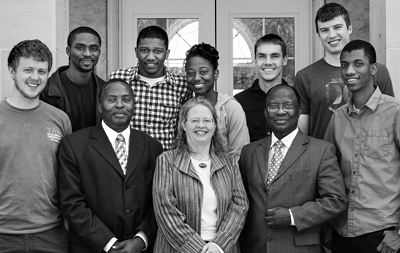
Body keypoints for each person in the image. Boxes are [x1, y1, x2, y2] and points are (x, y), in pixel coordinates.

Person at [58, 79, 163, 252]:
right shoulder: (74, 145)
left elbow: (158, 201)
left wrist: (141, 238)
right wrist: (108, 243)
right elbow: (72, 203)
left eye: (126, 100)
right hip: (91, 247)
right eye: (112, 99)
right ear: (100, 107)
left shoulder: (153, 147)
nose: (120, 105)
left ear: (134, 106)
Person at [239, 84, 346, 253]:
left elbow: (335, 200)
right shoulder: (248, 153)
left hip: (299, 247)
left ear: (298, 111)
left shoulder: (322, 150)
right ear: (266, 112)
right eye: (274, 106)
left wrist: (292, 216)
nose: (280, 111)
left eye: (288, 106)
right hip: (256, 247)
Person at [324, 40, 400, 253]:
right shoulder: (337, 118)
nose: (349, 71)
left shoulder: (394, 112)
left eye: (358, 64)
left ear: (373, 69)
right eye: (344, 65)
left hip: (383, 236)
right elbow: (327, 174)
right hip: (342, 232)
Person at [0, 40, 71, 252]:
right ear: (12, 71)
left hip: (52, 234)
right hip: (3, 235)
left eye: (42, 71)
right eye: (28, 70)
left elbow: (70, 177)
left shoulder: (60, 120)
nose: (35, 77)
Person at [152, 96, 249, 253]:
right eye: (195, 120)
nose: (201, 125)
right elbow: (165, 210)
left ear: (215, 125)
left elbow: (239, 205)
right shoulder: (167, 161)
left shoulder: (229, 163)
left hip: (221, 249)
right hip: (177, 248)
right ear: (184, 124)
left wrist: (218, 245)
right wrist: (199, 249)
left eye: (207, 120)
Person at [294, 3, 394, 140]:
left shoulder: (377, 71)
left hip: (369, 156)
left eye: (337, 27)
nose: (332, 35)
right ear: (318, 35)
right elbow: (302, 134)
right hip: (324, 158)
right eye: (324, 30)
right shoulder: (304, 77)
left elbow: (390, 116)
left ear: (349, 28)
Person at [109, 25, 192, 150]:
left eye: (158, 51)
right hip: (126, 159)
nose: (151, 57)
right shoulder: (119, 78)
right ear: (136, 51)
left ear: (167, 53)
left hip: (165, 161)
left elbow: (184, 128)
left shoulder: (182, 85)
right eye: (144, 50)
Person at [184, 42, 249, 161]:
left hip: (226, 177)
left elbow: (238, 155)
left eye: (203, 72)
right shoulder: (185, 108)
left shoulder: (230, 108)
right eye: (191, 73)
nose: (197, 77)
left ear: (215, 74)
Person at [41, 26, 105, 132]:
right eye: (80, 48)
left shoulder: (105, 89)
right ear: (68, 51)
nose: (87, 54)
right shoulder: (45, 90)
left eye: (94, 48)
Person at [235, 33, 289, 142]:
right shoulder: (239, 102)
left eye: (274, 56)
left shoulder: (296, 99)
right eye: (262, 56)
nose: (268, 62)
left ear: (284, 60)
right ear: (255, 60)